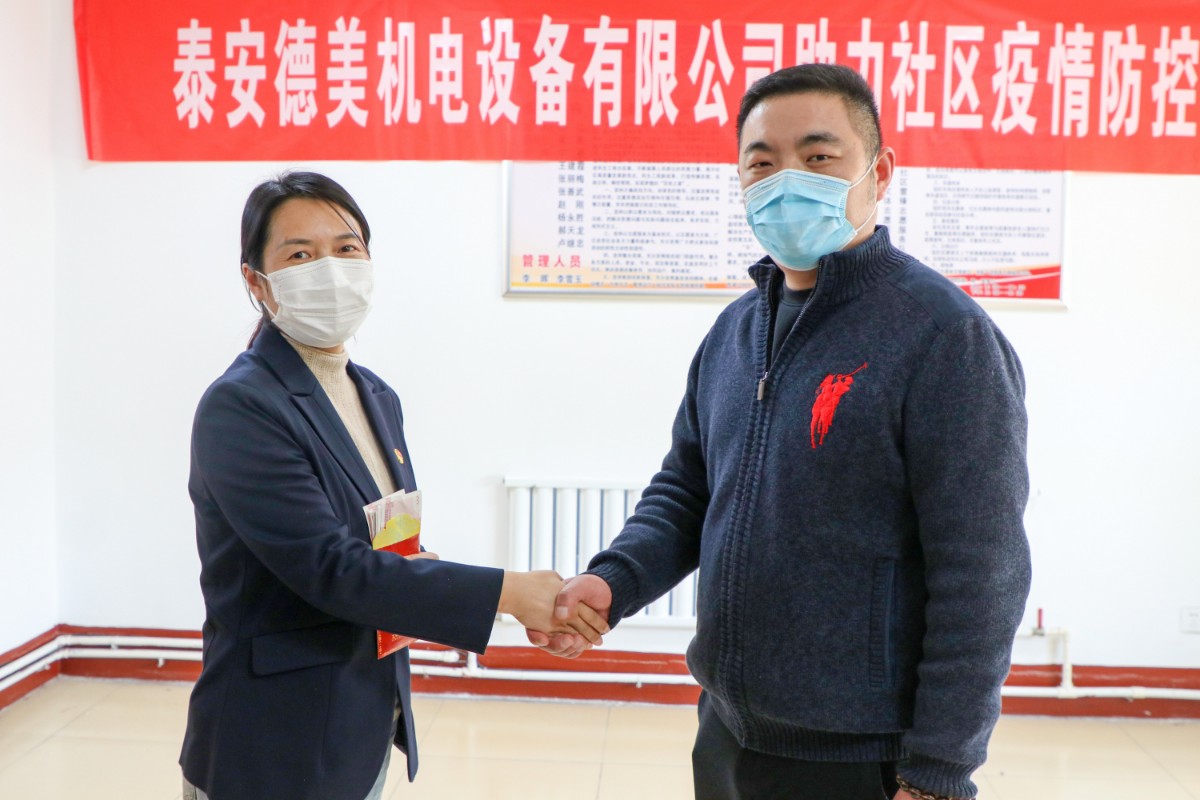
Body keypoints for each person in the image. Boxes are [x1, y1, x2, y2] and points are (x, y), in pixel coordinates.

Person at [529, 64, 1032, 800]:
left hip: (860, 757)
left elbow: (982, 573)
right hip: (728, 733)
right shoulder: (736, 331)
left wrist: (939, 771)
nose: (787, 181)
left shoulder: (944, 337)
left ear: (880, 172)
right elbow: (688, 490)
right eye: (762, 164)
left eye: (819, 156)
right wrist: (613, 581)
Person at [179, 171, 606, 800]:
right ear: (257, 281)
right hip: (273, 741)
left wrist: (502, 601)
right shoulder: (242, 406)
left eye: (346, 248)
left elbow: (390, 545)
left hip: (363, 721)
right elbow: (332, 569)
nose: (329, 269)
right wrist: (511, 593)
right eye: (300, 255)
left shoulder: (374, 395)